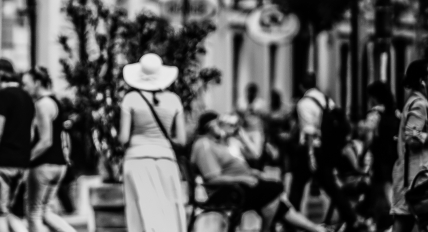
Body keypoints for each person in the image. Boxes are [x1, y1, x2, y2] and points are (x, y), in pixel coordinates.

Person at [191, 112, 329, 232]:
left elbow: (254, 155)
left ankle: (317, 230)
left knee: (277, 204)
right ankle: (267, 229)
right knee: (274, 189)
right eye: (218, 124)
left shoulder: (215, 143)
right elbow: (212, 178)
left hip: (237, 188)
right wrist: (242, 179)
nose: (221, 127)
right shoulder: (204, 145)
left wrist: (251, 173)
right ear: (208, 127)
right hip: (229, 191)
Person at [117, 53, 187, 232]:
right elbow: (182, 140)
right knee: (168, 208)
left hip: (136, 159)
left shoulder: (131, 99)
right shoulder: (174, 100)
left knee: (141, 209)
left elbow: (124, 138)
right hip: (166, 160)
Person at [287, 73, 365, 231]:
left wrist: (310, 156)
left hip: (310, 150)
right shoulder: (326, 99)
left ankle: (289, 220)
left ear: (301, 86)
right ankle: (351, 218)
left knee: (297, 187)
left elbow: (308, 132)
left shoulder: (304, 103)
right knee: (330, 186)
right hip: (326, 149)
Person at [0, 59, 33, 232]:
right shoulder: (26, 96)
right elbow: (31, 132)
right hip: (22, 164)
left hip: (3, 164)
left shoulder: (3, 96)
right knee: (12, 214)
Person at [22, 67, 76, 232]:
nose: (24, 89)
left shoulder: (42, 104)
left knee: (33, 214)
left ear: (37, 83)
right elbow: (63, 137)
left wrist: (25, 159)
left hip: (43, 165)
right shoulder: (56, 102)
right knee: (44, 212)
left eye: (26, 84)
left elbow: (45, 140)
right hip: (59, 165)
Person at [355, 81, 398, 231]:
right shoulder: (395, 112)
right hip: (394, 154)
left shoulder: (374, 114)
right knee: (383, 186)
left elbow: (368, 138)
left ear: (374, 97)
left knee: (385, 187)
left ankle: (392, 218)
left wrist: (361, 155)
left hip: (380, 156)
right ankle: (372, 218)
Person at [392, 60, 428, 232]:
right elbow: (412, 137)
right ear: (423, 80)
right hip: (414, 178)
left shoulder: (415, 101)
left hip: (412, 175)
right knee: (403, 221)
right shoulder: (420, 104)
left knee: (404, 222)